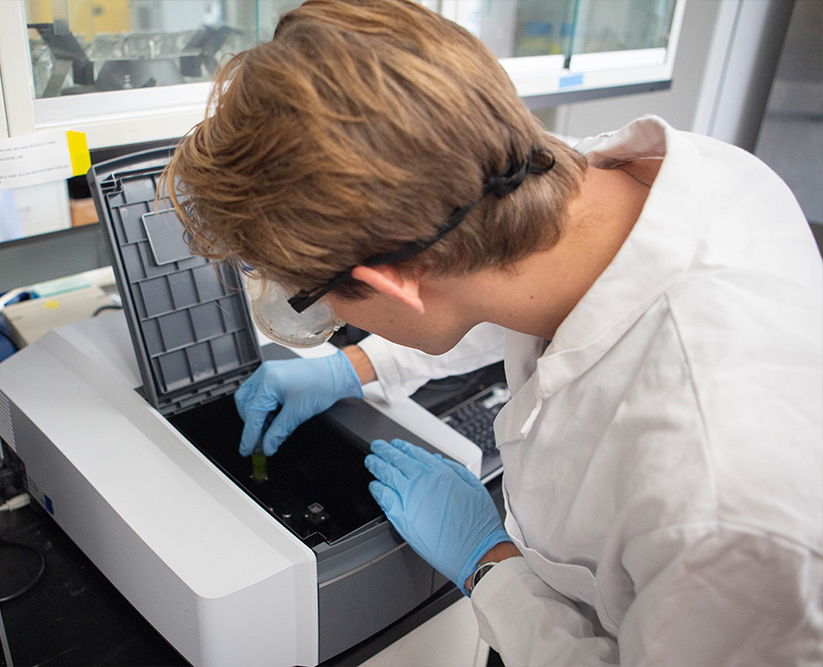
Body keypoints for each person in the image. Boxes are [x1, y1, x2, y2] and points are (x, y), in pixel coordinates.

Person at [162, 0, 823, 663]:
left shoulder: (715, 500)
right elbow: (493, 275)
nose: (330, 323)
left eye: (317, 303)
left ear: (392, 282)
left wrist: (491, 566)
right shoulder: (573, 189)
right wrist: (356, 366)